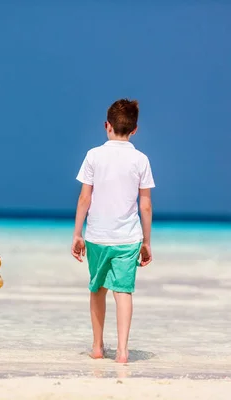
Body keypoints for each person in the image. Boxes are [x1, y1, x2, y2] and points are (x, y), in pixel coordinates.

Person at [71, 99, 155, 363]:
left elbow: (85, 198)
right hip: (128, 237)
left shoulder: (93, 155)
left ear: (107, 125)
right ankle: (121, 351)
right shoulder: (141, 159)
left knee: (97, 290)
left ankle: (97, 347)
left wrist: (77, 233)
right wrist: (147, 241)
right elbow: (146, 204)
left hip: (97, 235)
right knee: (123, 291)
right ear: (135, 129)